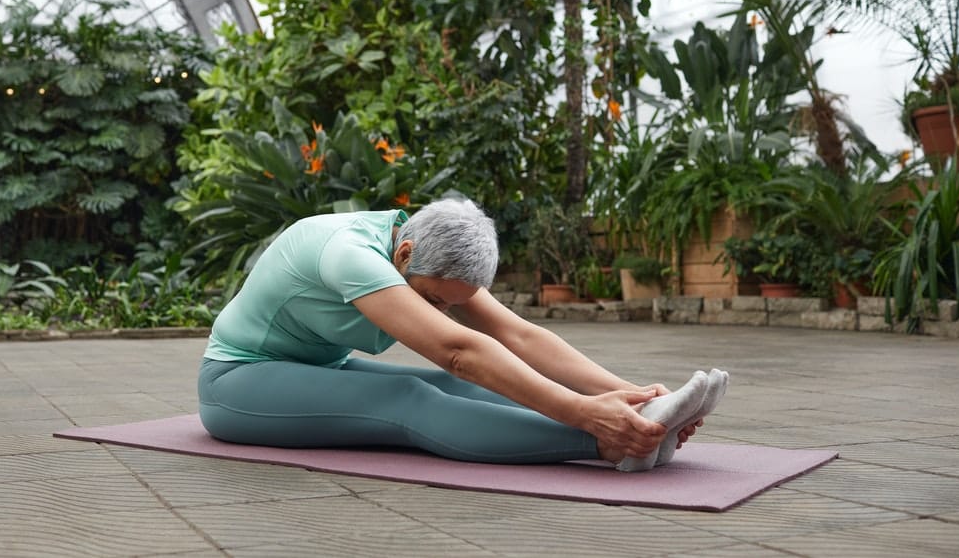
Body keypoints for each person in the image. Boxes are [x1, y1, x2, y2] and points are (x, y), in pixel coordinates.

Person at [198, 197, 721, 469]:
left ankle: (633, 426)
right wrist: (587, 415)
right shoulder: (349, 254)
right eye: (431, 299)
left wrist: (625, 394)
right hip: (238, 380)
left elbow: (518, 336)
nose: (438, 311)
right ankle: (606, 446)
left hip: (312, 369)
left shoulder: (428, 253)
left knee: (459, 390)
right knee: (411, 394)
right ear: (404, 255)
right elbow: (457, 350)